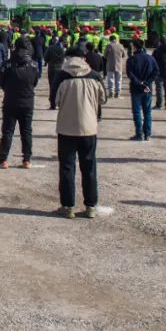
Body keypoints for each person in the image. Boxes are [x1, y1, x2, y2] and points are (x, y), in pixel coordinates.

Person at [54, 47, 106, 219]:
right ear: (84, 58)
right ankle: (90, 206)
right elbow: (103, 99)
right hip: (89, 128)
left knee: (67, 168)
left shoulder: (62, 76)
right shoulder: (95, 75)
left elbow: (55, 100)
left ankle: (68, 206)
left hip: (66, 128)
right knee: (89, 167)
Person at [0, 40, 38, 169]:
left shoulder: (7, 64)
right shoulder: (33, 65)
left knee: (7, 131)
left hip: (10, 101)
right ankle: (27, 160)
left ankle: (3, 160)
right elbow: (34, 82)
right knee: (27, 131)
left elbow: (1, 83)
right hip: (28, 101)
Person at [127, 38, 158, 141]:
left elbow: (130, 74)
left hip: (136, 88)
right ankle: (147, 133)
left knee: (137, 112)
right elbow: (156, 72)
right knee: (147, 112)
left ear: (134, 47)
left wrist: (139, 83)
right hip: (147, 88)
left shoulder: (131, 59)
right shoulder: (150, 58)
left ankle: (139, 134)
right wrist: (147, 83)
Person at [151, 35, 166, 111]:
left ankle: (159, 105)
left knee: (159, 89)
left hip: (159, 72)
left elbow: (153, 60)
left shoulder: (158, 50)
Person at [44, 37, 65, 110]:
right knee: (60, 86)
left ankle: (52, 104)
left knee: (52, 87)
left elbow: (45, 58)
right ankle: (60, 103)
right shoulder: (62, 49)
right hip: (60, 68)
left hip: (52, 69)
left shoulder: (50, 48)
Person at [104, 34, 126, 99]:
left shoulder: (108, 46)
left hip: (110, 65)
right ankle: (118, 93)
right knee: (118, 80)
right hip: (119, 65)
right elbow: (124, 55)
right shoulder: (121, 45)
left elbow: (105, 56)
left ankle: (111, 93)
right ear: (116, 39)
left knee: (111, 79)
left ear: (110, 40)